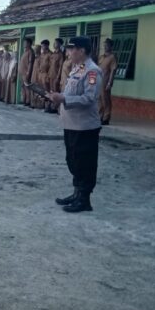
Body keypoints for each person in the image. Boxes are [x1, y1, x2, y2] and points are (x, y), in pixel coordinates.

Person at [47, 36, 102, 213]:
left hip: (85, 127)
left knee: (84, 162)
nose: (69, 52)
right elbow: (71, 91)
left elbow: (89, 98)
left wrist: (63, 98)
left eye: (72, 49)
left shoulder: (92, 72)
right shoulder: (78, 68)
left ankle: (84, 199)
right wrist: (58, 97)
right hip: (71, 124)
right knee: (73, 161)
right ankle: (76, 193)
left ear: (82, 51)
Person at [97, 39, 118, 125]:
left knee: (105, 99)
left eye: (107, 45)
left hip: (105, 81)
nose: (105, 47)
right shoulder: (101, 57)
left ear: (111, 47)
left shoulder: (112, 57)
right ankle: (100, 116)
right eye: (104, 45)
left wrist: (110, 83)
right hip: (99, 80)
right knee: (99, 99)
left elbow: (113, 71)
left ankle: (106, 117)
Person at [19, 39, 35, 106]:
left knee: (27, 87)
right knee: (23, 87)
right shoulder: (25, 52)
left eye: (25, 43)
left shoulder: (30, 52)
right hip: (22, 73)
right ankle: (24, 100)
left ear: (29, 44)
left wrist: (28, 73)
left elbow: (30, 63)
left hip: (26, 73)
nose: (24, 44)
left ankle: (28, 101)